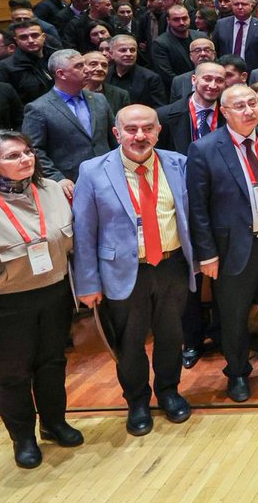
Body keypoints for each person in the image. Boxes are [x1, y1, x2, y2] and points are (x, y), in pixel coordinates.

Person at [72, 105, 197, 437]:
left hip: (171, 264)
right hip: (123, 271)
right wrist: (87, 282)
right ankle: (137, 401)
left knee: (172, 336)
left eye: (147, 129)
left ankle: (169, 392)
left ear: (158, 131)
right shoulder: (92, 170)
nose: (139, 136)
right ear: (117, 133)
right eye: (131, 129)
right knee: (129, 342)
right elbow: (83, 232)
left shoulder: (178, 163)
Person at [187, 85, 258, 403]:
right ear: (224, 111)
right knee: (234, 314)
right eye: (241, 106)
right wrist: (206, 253)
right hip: (231, 247)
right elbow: (198, 208)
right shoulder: (204, 149)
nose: (250, 110)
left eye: (253, 103)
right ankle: (236, 372)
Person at [0, 130, 80, 468]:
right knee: (13, 372)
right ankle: (23, 437)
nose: (25, 159)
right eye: (12, 156)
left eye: (27, 152)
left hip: (55, 293)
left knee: (52, 363)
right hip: (6, 304)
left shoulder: (53, 191)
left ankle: (54, 423)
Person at [22, 49, 114, 198]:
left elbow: (115, 137)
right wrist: (57, 178)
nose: (87, 69)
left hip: (109, 176)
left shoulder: (99, 100)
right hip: (70, 185)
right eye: (79, 66)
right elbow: (34, 150)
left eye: (85, 64)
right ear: (61, 74)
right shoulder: (38, 108)